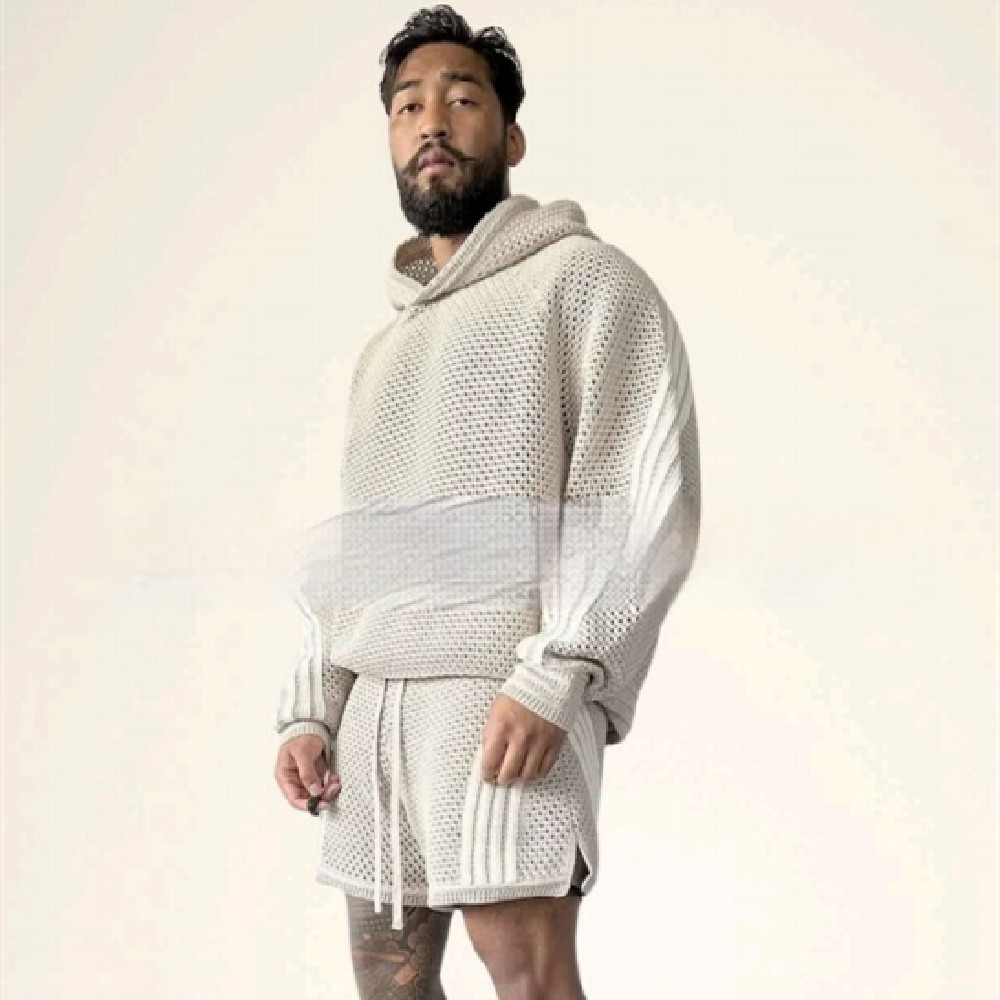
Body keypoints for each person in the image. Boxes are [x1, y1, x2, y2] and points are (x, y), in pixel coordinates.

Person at [272, 6, 701, 998]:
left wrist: (558, 674)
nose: (431, 120)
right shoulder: (386, 350)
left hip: (504, 687)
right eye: (406, 106)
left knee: (531, 982)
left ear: (510, 138)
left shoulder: (584, 281)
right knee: (387, 988)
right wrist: (311, 708)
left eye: (462, 99)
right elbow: (364, 548)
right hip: (377, 712)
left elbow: (641, 492)